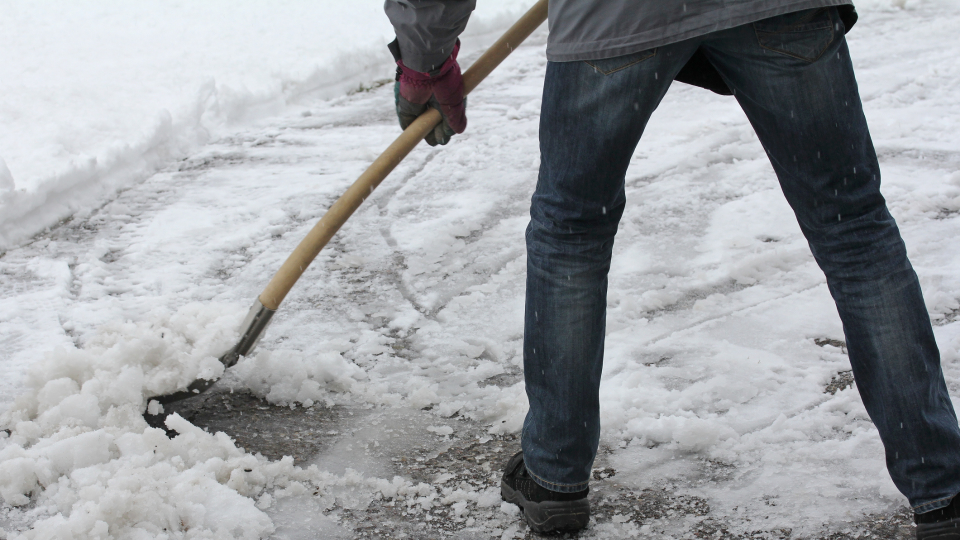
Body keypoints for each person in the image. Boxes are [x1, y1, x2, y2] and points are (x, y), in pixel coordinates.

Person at [384, 0, 960, 536]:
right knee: (853, 230)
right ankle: (942, 487)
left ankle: (555, 474)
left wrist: (424, 58)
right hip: (779, 11)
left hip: (616, 17)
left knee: (572, 235)